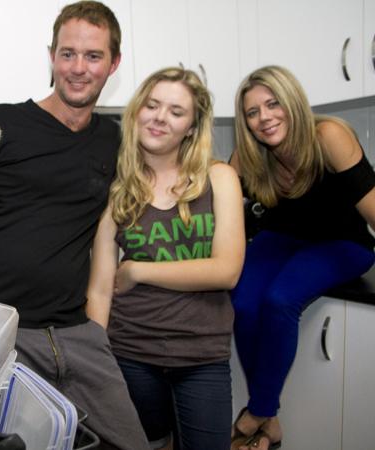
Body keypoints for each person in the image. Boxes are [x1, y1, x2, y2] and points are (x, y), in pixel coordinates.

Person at [0, 2, 151, 449]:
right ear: (51, 56)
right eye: (67, 53)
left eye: (93, 56)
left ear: (114, 64)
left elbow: (105, 239)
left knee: (129, 442)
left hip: (77, 335)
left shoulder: (115, 140)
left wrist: (97, 329)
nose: (78, 68)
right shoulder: (0, 121)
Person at [86, 67, 246, 450]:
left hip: (202, 353)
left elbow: (226, 271)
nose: (159, 117)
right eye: (152, 105)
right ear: (137, 111)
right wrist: (98, 363)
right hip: (131, 353)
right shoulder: (117, 189)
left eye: (176, 111)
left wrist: (139, 270)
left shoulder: (219, 178)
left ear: (191, 126)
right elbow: (100, 290)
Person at [229, 65, 375, 450]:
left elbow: (374, 208)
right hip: (281, 239)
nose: (265, 118)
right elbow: (217, 214)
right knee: (243, 302)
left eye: (273, 103)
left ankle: (256, 414)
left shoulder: (328, 135)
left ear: (292, 101)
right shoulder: (249, 156)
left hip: (343, 243)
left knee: (280, 300)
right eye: (253, 112)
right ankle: (270, 420)